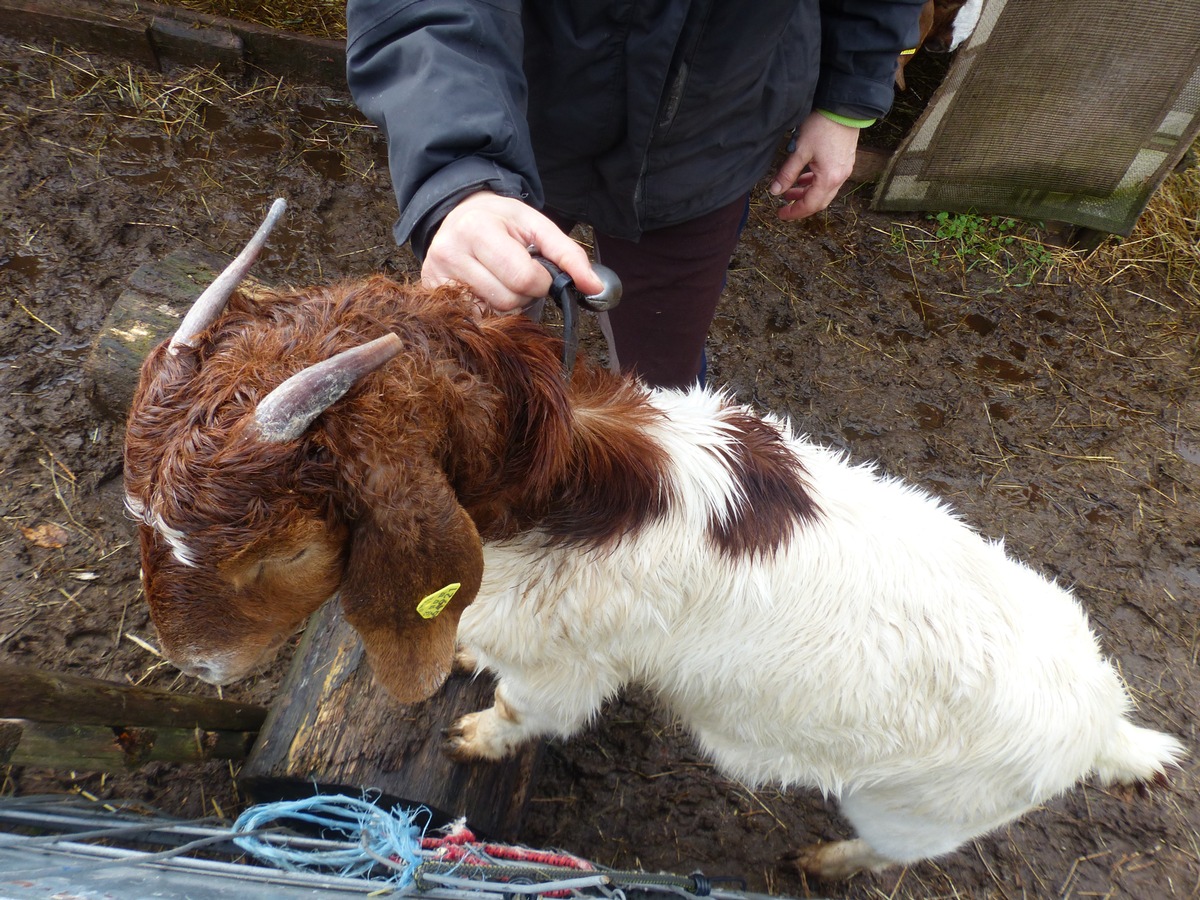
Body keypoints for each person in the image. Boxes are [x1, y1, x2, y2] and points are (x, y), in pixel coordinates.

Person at [346, 1, 926, 388]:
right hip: (516, 124)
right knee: (475, 365)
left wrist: (848, 95)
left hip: (715, 131)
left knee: (665, 387)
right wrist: (461, 175)